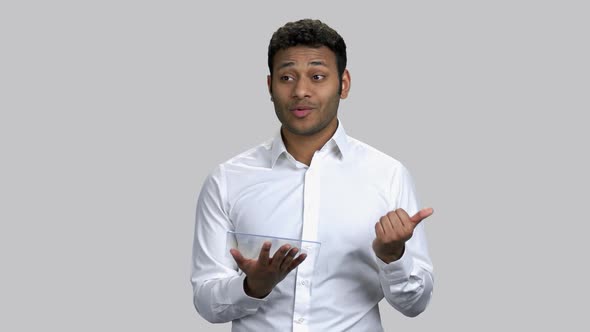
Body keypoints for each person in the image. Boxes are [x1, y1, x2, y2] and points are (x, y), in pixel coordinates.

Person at [191, 19, 434, 331]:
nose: (300, 91)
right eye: (286, 77)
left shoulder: (387, 175)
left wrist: (393, 256)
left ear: (343, 84)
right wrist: (252, 287)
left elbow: (415, 304)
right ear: (269, 86)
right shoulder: (227, 180)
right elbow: (206, 301)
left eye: (317, 76)